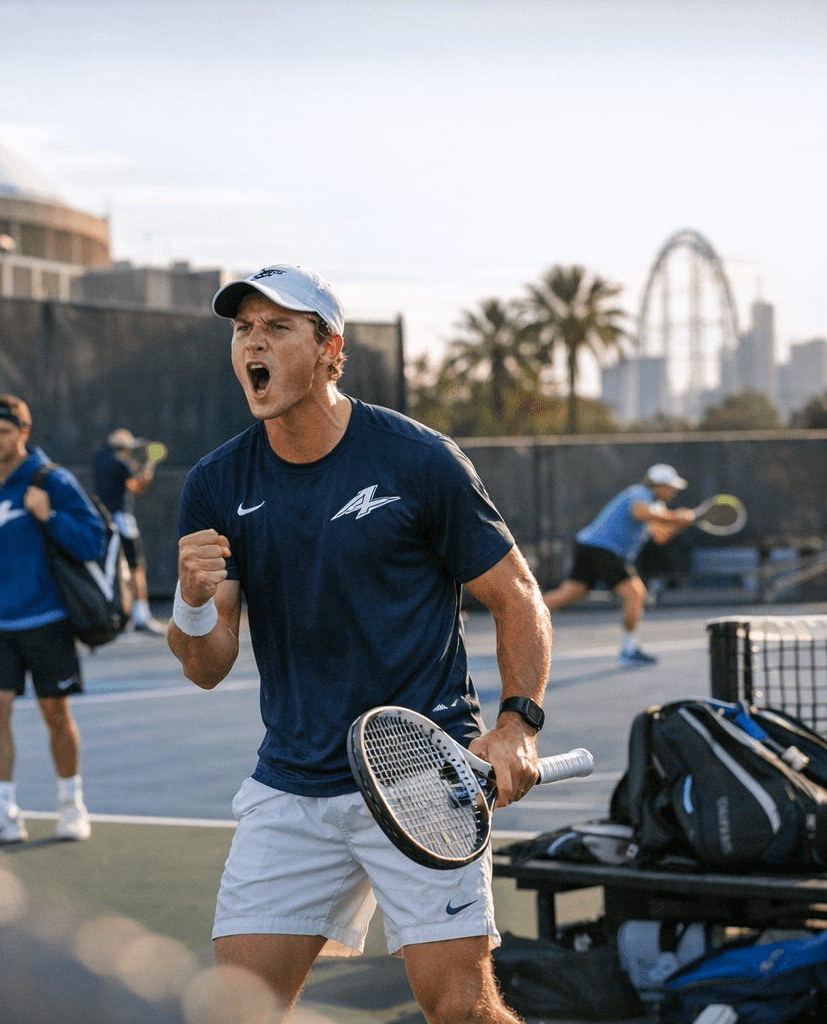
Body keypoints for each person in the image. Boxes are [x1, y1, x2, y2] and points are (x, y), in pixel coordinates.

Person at [168, 264, 550, 1024]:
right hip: (292, 782)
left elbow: (517, 597)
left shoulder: (419, 459)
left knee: (460, 1009)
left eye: (278, 327)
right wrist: (192, 602)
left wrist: (517, 725)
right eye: (243, 329)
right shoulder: (216, 483)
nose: (253, 343)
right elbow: (208, 667)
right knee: (235, 1011)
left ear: (330, 350)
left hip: (422, 776)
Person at [0, 395, 106, 843]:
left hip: (47, 619)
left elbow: (92, 540)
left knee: (55, 714)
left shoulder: (52, 480)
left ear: (23, 433)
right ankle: (3, 813)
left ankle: (71, 806)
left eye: (5, 432)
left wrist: (49, 515)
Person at [542, 464, 696, 667]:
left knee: (569, 593)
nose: (673, 491)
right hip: (602, 549)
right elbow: (640, 512)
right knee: (635, 592)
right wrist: (675, 516)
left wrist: (678, 524)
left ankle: (520, 617)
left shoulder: (656, 507)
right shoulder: (639, 493)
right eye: (670, 487)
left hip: (588, 546)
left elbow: (660, 536)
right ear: (657, 485)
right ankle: (629, 651)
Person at [94, 427, 164, 633]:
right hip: (121, 520)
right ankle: (141, 616)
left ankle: (120, 617)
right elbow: (137, 486)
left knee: (113, 568)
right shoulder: (120, 463)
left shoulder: (100, 459)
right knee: (136, 567)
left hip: (102, 520)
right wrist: (150, 464)